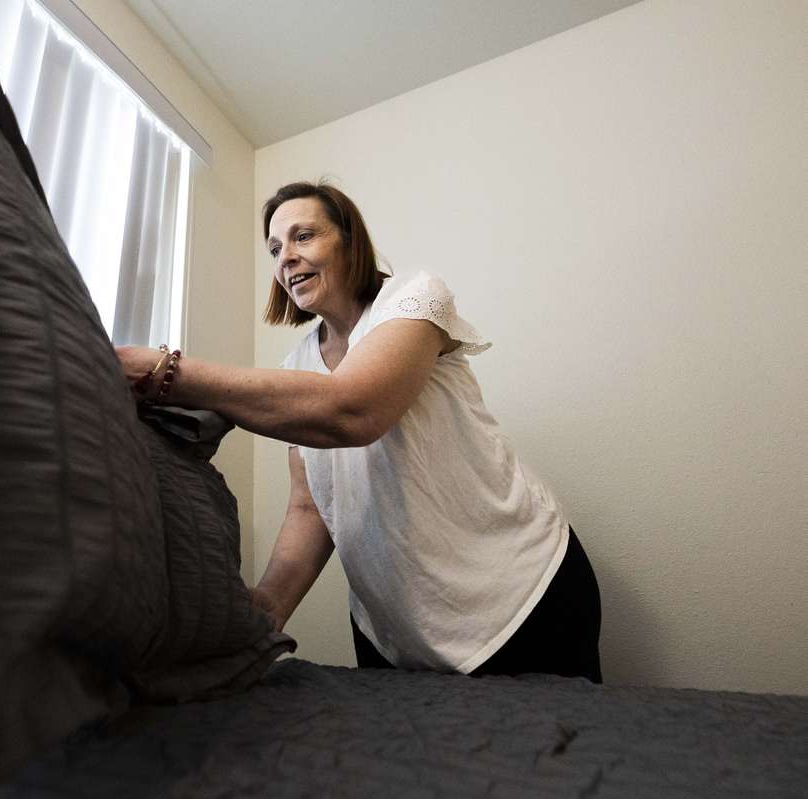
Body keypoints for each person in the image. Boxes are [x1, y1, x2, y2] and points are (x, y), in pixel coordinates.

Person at [117, 181, 602, 683]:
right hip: (395, 631)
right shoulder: (298, 364)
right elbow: (311, 507)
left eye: (303, 236)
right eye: (275, 248)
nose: (286, 258)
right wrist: (261, 620)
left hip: (518, 597)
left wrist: (167, 373)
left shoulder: (414, 298)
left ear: (350, 241)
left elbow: (353, 411)